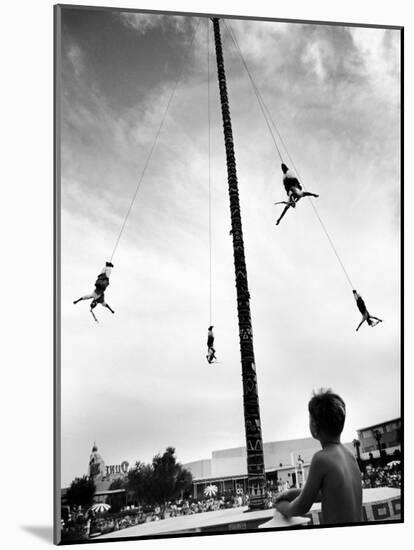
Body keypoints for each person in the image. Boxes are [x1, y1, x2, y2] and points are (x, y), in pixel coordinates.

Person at [274, 389, 362, 525]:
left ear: (314, 425)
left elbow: (300, 507)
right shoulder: (350, 456)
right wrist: (290, 493)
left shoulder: (321, 459)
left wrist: (279, 505)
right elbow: (324, 494)